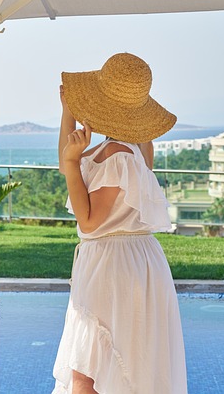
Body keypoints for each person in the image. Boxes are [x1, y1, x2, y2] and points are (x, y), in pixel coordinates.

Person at [52, 53, 188, 394]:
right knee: (117, 368)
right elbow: (66, 166)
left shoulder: (117, 156)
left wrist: (72, 158)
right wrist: (68, 113)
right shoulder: (131, 148)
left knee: (87, 374)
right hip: (129, 262)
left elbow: (89, 222)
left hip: (113, 266)